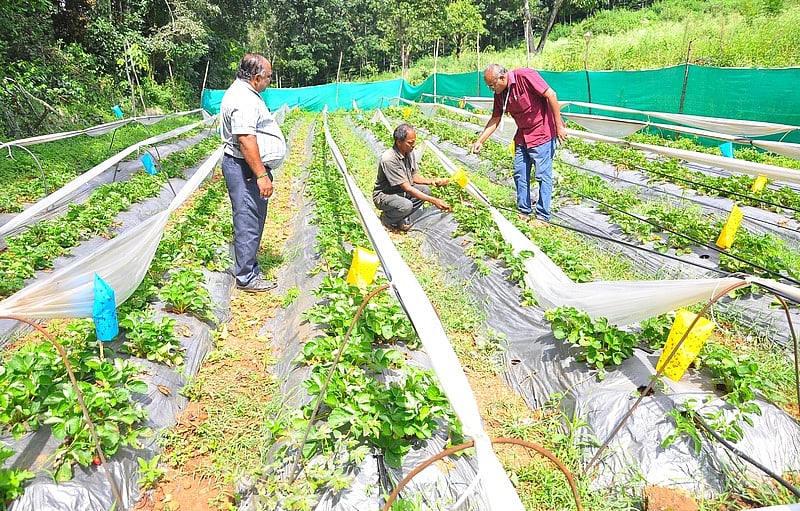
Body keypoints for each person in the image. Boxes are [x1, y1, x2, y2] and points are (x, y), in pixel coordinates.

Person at [220, 53, 286, 292]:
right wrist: (261, 175)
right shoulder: (244, 100)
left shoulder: (244, 93)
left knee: (252, 217)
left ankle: (250, 268)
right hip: (245, 169)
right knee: (248, 219)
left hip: (246, 168)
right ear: (257, 78)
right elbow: (246, 139)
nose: (270, 81)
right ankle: (246, 277)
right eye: (269, 77)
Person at [471, 63, 567, 224]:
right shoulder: (500, 93)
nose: (491, 89)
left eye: (492, 85)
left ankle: (543, 217)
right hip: (523, 135)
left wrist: (559, 126)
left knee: (543, 176)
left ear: (502, 77)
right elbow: (496, 118)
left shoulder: (525, 76)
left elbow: (551, 94)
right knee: (520, 172)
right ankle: (524, 210)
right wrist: (480, 140)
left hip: (542, 132)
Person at [373, 123, 451, 232]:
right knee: (406, 205)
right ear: (399, 142)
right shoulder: (389, 159)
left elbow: (414, 177)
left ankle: (400, 218)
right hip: (385, 195)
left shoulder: (409, 152)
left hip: (400, 192)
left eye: (414, 142)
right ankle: (386, 219)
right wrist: (434, 201)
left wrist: (432, 181)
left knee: (426, 190)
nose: (413, 145)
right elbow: (407, 188)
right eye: (410, 143)